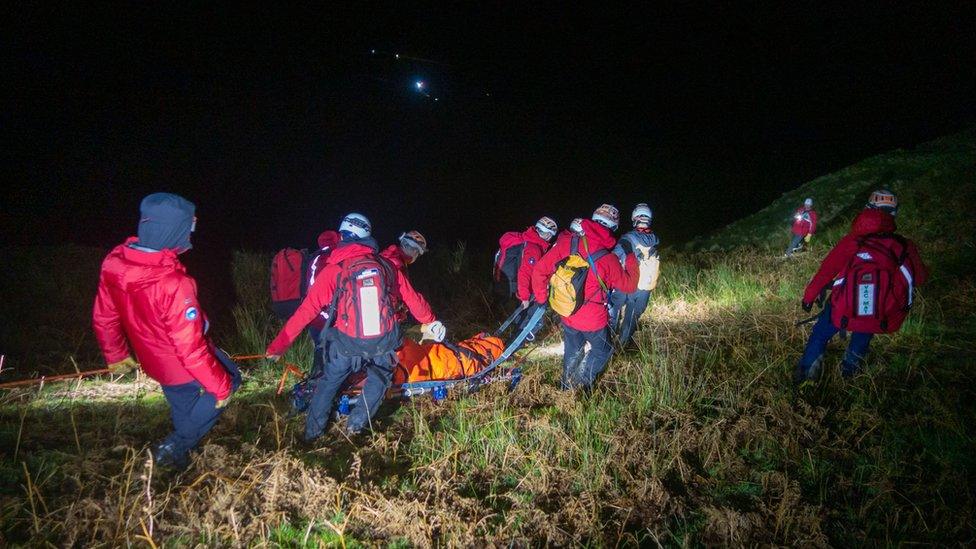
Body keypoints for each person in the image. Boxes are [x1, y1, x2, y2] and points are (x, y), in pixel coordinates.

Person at [266, 213, 446, 440]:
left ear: (342, 235)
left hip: (346, 344)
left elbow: (306, 311)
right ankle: (356, 425)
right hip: (382, 344)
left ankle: (312, 434)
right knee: (380, 379)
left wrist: (278, 346)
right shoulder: (387, 267)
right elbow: (414, 300)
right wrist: (431, 320)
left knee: (328, 384)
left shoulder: (335, 269)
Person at [92, 192, 239, 468]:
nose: (191, 235)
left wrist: (115, 355)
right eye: (189, 228)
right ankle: (176, 444)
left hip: (153, 360)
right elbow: (190, 349)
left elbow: (104, 316)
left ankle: (178, 460)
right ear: (174, 230)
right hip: (180, 362)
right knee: (231, 379)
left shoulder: (115, 264)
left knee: (182, 404)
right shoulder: (173, 283)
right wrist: (220, 389)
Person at [794, 190, 928, 382]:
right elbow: (920, 278)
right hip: (876, 310)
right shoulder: (904, 245)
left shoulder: (852, 241)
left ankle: (807, 377)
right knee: (863, 334)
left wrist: (808, 298)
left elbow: (826, 272)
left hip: (841, 307)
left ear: (868, 210)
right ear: (894, 213)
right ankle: (850, 377)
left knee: (820, 334)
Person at [531, 204, 640, 392]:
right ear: (613, 228)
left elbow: (539, 271)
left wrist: (542, 299)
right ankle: (582, 384)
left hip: (566, 311)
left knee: (573, 349)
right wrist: (630, 256)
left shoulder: (567, 242)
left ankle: (566, 386)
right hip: (593, 321)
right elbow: (629, 286)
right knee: (603, 351)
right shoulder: (608, 259)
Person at [609, 203, 660, 346]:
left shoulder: (628, 238)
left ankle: (607, 339)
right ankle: (624, 343)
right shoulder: (655, 239)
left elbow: (614, 257)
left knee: (615, 308)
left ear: (634, 219)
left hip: (627, 281)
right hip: (645, 285)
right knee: (633, 316)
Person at [303, 229, 341, 379]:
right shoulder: (334, 258)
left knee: (319, 355)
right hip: (328, 319)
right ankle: (324, 394)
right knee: (330, 359)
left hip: (314, 317)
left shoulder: (314, 258)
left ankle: (313, 388)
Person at [493, 217, 558, 299]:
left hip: (501, 282)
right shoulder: (534, 248)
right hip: (514, 291)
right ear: (548, 235)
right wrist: (524, 297)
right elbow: (525, 273)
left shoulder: (523, 238)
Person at [381, 230, 429, 322]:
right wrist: (430, 321)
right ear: (415, 251)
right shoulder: (396, 264)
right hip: (385, 321)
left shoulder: (386, 257)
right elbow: (410, 297)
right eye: (417, 253)